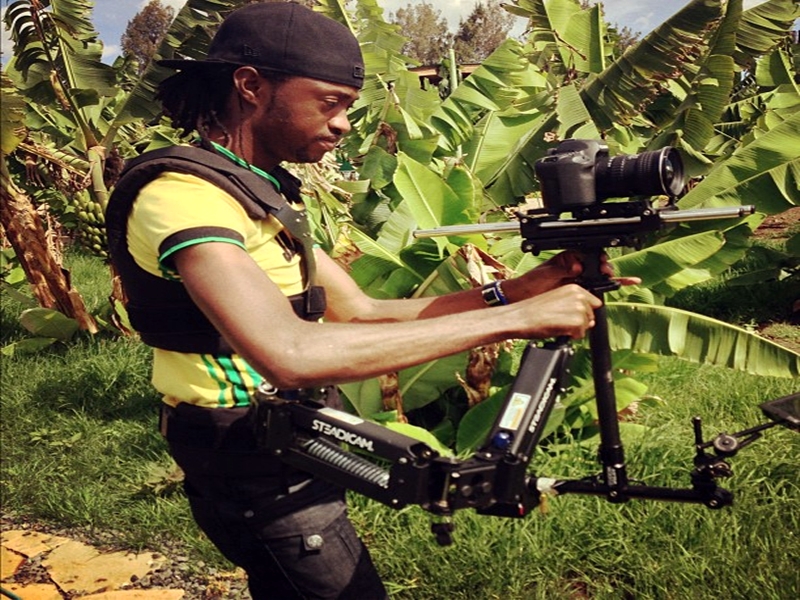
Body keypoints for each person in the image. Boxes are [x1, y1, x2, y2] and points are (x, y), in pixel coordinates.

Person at [106, 3, 626, 598]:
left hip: (292, 445)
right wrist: (516, 320)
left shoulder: (256, 194)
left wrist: (517, 290)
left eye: (349, 106)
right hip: (245, 461)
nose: (344, 124)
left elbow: (362, 312)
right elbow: (291, 353)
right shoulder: (183, 197)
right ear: (250, 86)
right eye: (330, 102)